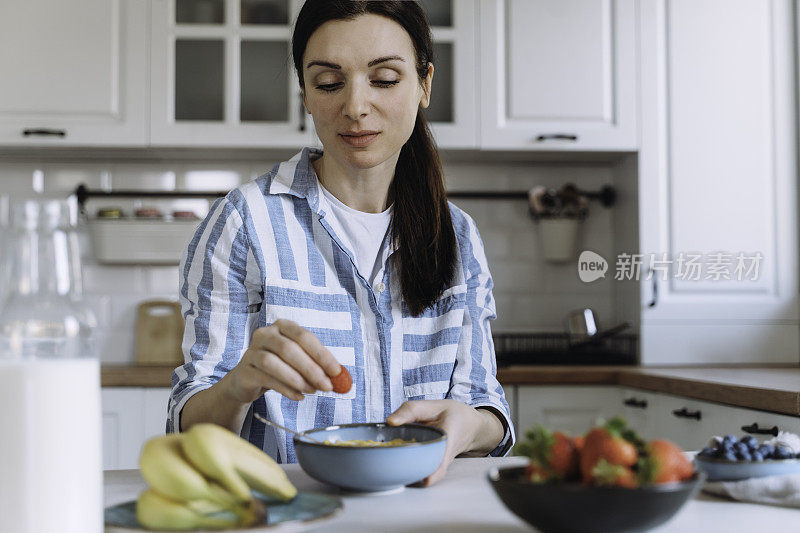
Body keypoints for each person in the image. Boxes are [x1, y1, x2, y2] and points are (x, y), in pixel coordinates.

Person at [167, 0, 514, 486]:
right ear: (306, 94)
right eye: (329, 82)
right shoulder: (245, 221)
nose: (354, 106)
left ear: (424, 84)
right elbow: (188, 423)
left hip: (422, 514)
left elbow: (487, 406)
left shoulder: (457, 236)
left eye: (385, 79)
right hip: (290, 511)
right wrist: (238, 385)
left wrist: (467, 426)